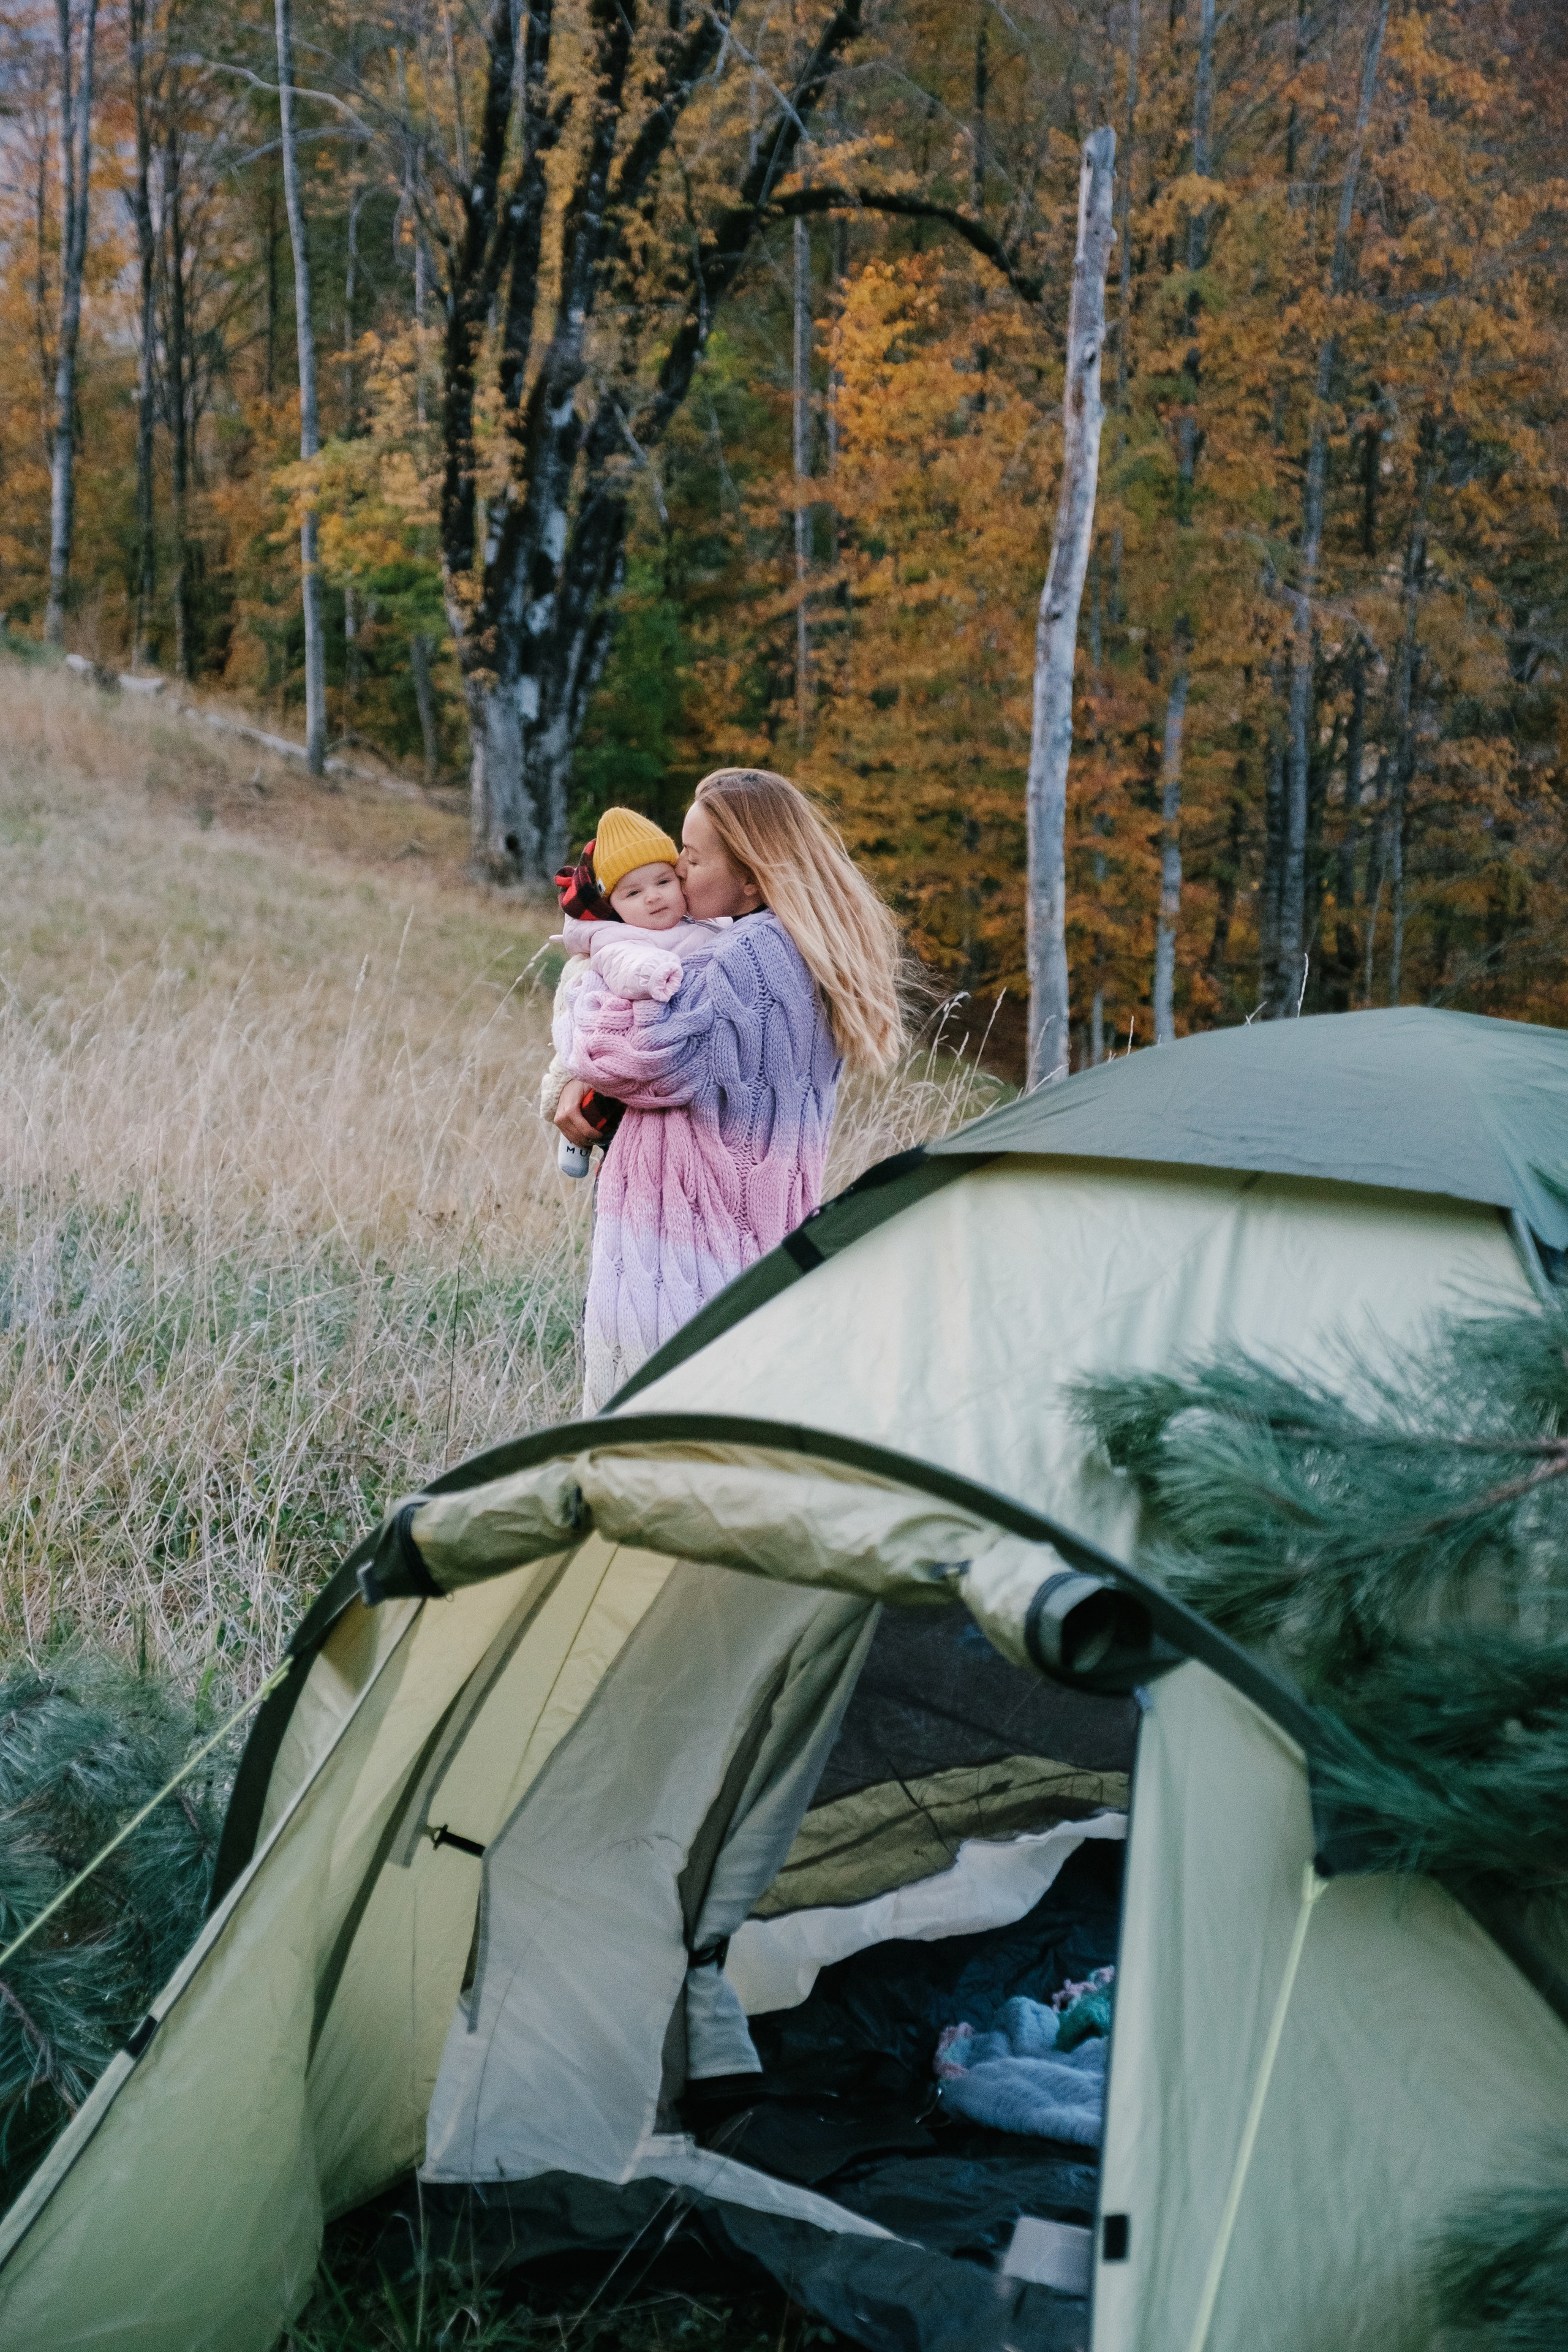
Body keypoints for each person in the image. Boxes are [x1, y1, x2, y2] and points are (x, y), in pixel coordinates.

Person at [553, 766, 905, 1412]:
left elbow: (622, 1055)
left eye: (690, 858)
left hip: (685, 1259)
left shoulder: (746, 958)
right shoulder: (789, 947)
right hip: (745, 1246)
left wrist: (589, 969)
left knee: (642, 1451)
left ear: (749, 875)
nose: (676, 874)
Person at [539, 807, 734, 1176]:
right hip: (627, 1026)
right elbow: (622, 965)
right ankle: (578, 1145)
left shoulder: (709, 918)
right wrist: (652, 972)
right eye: (633, 892)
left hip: (679, 1069)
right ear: (612, 905)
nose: (652, 898)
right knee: (590, 1094)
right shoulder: (619, 937)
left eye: (663, 882)